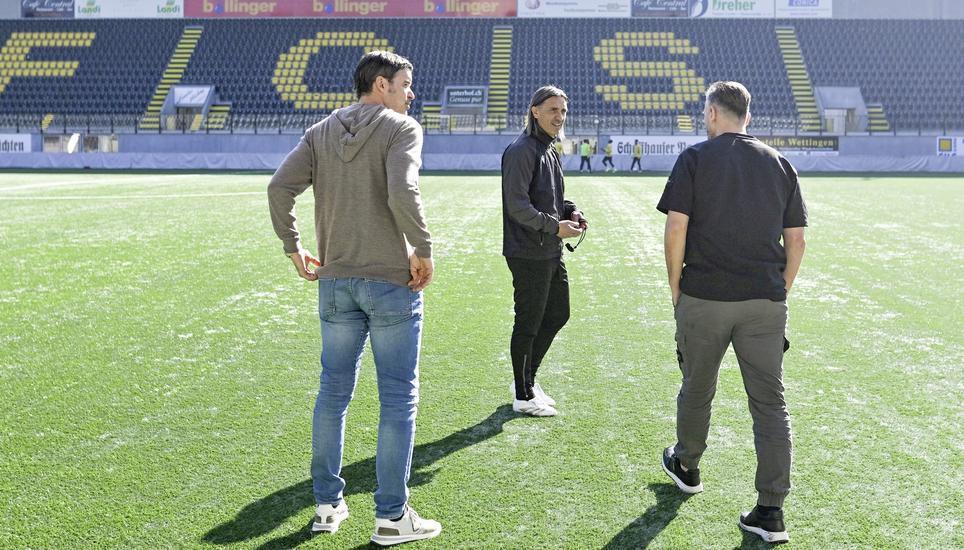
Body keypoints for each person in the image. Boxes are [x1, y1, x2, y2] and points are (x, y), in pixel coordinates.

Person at [267, 50, 441, 547]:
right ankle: (391, 517)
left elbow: (280, 188)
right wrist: (423, 250)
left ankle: (326, 506)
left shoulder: (319, 131)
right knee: (397, 398)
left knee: (333, 394)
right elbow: (402, 192)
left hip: (336, 282)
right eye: (407, 84)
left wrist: (293, 247)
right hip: (390, 281)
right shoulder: (400, 128)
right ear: (382, 85)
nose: (412, 93)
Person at [656, 81, 807, 544]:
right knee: (770, 404)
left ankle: (687, 465)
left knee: (697, 387)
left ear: (712, 113)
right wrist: (778, 290)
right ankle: (771, 510)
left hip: (705, 296)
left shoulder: (696, 158)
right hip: (764, 301)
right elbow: (797, 239)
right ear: (748, 115)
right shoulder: (779, 162)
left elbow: (676, 229)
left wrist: (677, 289)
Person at [501, 85, 587, 417]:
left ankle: (526, 380)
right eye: (553, 109)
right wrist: (555, 227)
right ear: (535, 111)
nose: (559, 116)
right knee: (529, 322)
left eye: (563, 111)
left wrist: (571, 212)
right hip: (527, 250)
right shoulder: (522, 150)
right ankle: (523, 394)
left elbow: (550, 200)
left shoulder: (549, 149)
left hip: (549, 248)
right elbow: (517, 206)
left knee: (557, 314)